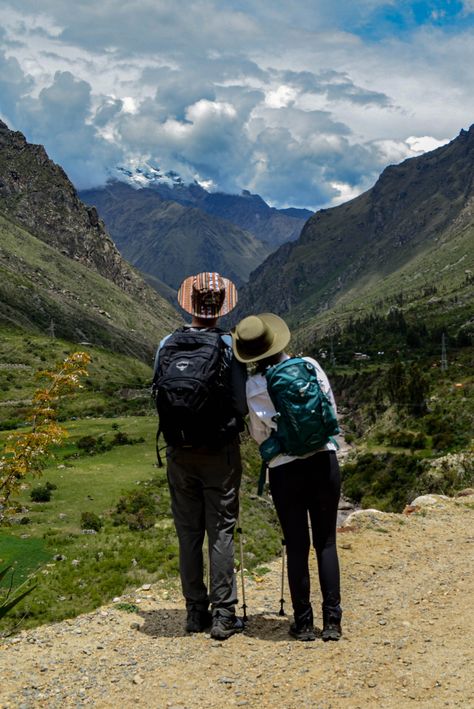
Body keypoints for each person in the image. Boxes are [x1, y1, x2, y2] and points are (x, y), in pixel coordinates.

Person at [231, 313, 342, 642]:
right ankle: (332, 623)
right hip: (324, 460)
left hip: (285, 471)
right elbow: (330, 410)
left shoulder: (253, 386)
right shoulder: (309, 366)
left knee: (296, 546)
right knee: (326, 542)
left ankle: (303, 623)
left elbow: (259, 435)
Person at [153, 272, 247, 640]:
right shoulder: (228, 344)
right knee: (220, 529)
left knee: (187, 532)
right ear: (221, 308)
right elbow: (239, 403)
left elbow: (159, 395)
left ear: (189, 304)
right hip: (219, 452)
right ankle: (223, 615)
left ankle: (195, 611)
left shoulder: (167, 343)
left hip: (179, 450)